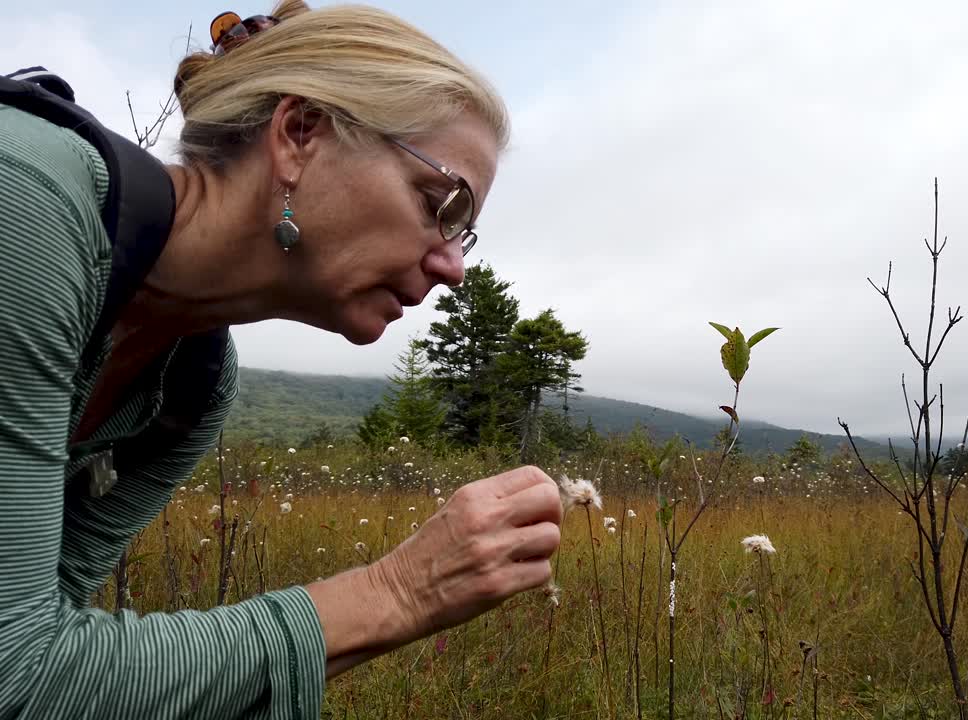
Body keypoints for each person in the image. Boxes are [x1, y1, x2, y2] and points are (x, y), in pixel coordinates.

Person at [0, 1, 563, 716]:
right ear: (299, 134)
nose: (454, 267)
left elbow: (58, 646)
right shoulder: (30, 202)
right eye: (442, 204)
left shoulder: (191, 385)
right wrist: (393, 592)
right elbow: (16, 676)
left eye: (465, 234)